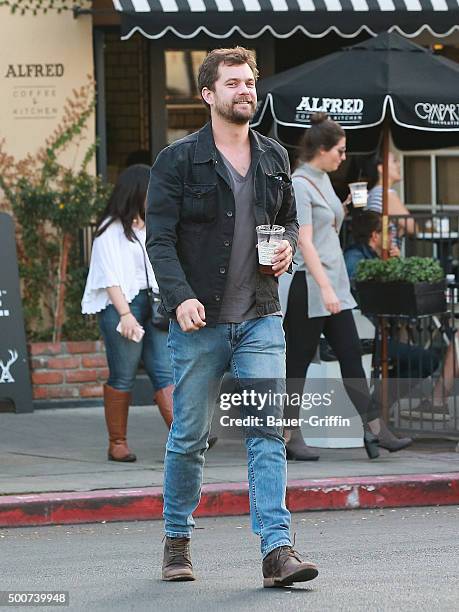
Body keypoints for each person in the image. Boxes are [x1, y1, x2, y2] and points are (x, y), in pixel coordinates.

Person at [146, 47, 318, 587]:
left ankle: (277, 550)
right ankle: (177, 538)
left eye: (250, 82)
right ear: (207, 94)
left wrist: (288, 246)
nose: (246, 90)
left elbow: (287, 220)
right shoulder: (177, 161)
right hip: (200, 321)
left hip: (262, 317)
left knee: (266, 432)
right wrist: (180, 297)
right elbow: (160, 240)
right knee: (191, 436)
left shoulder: (274, 156)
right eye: (234, 83)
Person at [281, 113, 411, 463]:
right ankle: (288, 434)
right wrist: (324, 289)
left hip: (330, 285)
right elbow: (305, 242)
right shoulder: (298, 183)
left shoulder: (322, 179)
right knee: (298, 362)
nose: (343, 157)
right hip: (311, 285)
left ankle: (375, 430)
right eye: (339, 150)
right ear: (321, 149)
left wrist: (346, 206)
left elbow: (326, 224)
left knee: (352, 356)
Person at [81, 165, 175, 462]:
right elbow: (108, 277)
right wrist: (125, 315)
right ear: (136, 192)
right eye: (152, 191)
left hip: (155, 306)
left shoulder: (152, 226)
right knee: (123, 374)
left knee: (165, 371)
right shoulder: (109, 230)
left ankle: (185, 436)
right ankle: (117, 443)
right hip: (123, 308)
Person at [345, 210, 438, 399]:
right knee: (426, 360)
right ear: (375, 235)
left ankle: (377, 404)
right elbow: (372, 297)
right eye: (389, 230)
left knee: (423, 359)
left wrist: (393, 264)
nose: (393, 234)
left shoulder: (374, 258)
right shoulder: (354, 259)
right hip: (361, 337)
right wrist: (387, 268)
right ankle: (376, 407)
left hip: (379, 333)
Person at [365, 151, 416, 243]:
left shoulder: (373, 192)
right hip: (388, 254)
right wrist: (402, 229)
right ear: (381, 168)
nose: (399, 164)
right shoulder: (386, 194)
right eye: (394, 161)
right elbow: (412, 228)